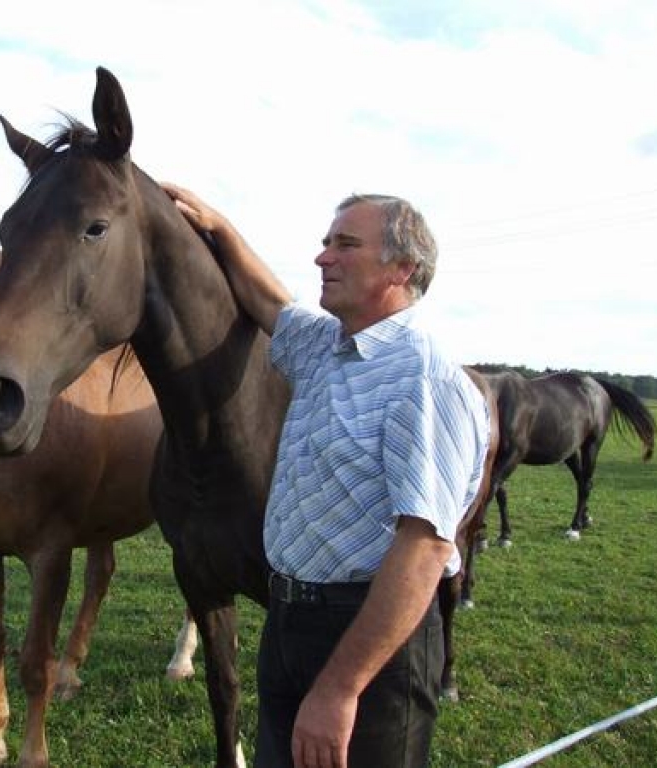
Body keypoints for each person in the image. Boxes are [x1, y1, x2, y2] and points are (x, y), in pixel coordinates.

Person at [162, 183, 490, 768]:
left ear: (402, 267)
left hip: (369, 640)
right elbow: (267, 300)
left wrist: (341, 687)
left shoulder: (423, 379)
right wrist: (219, 226)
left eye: (345, 244)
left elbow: (424, 550)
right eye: (324, 243)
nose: (322, 257)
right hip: (289, 621)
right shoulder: (325, 346)